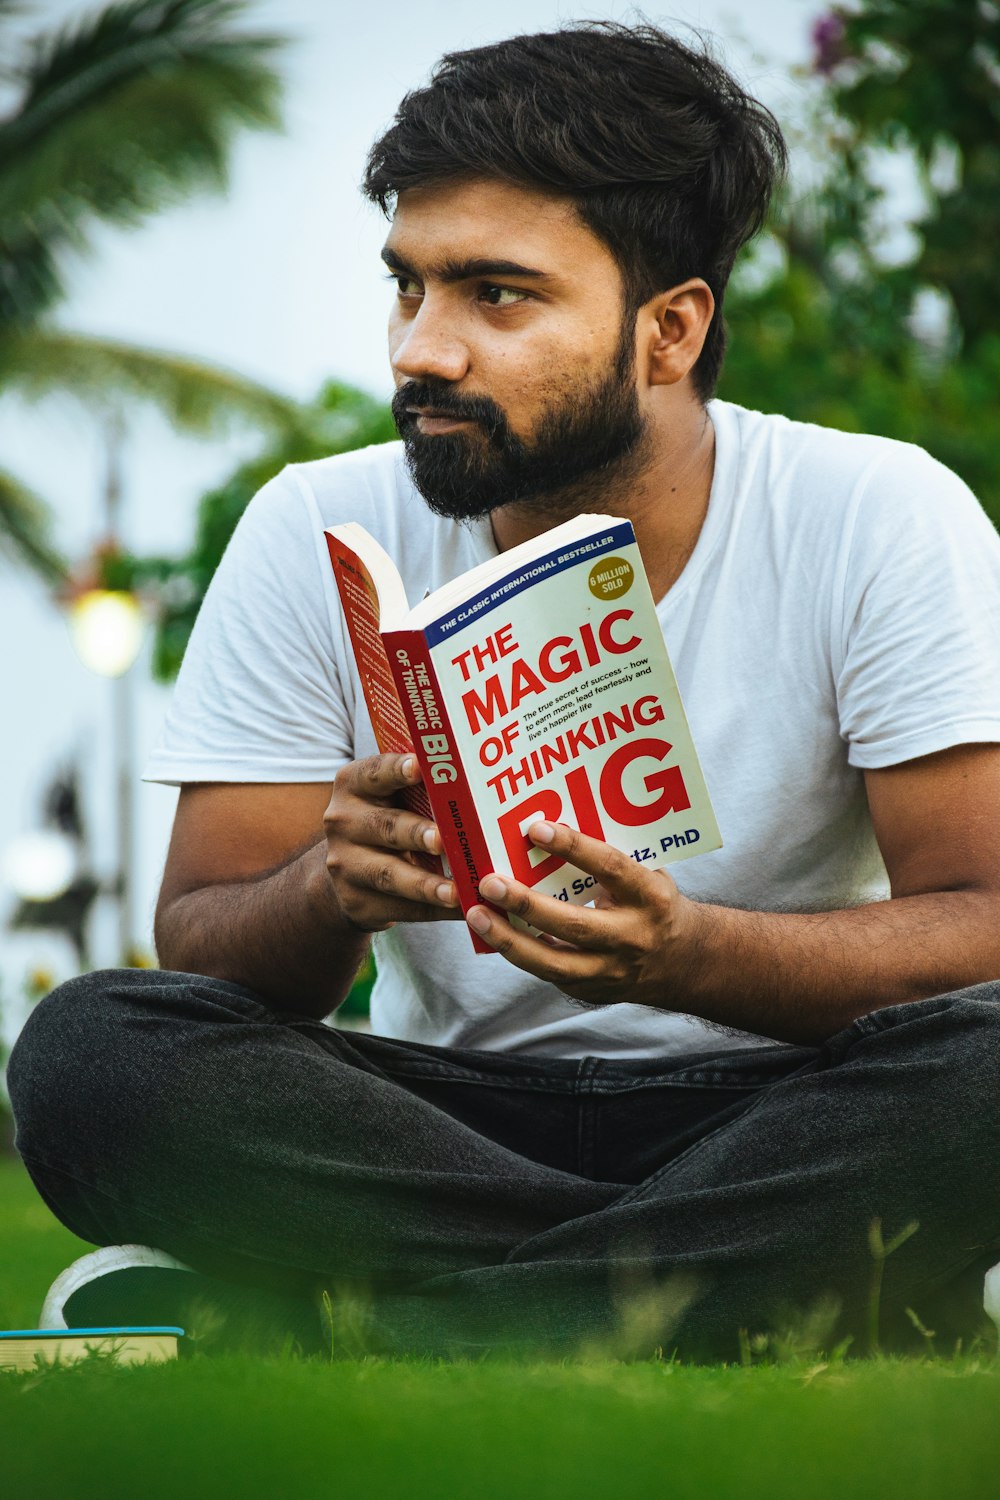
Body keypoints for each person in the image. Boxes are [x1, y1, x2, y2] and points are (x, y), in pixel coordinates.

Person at [10, 21, 1000, 1361]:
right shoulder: (316, 522)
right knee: (93, 1051)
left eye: (498, 295)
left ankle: (402, 1320)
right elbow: (202, 942)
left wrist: (691, 954)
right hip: (445, 1117)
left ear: (671, 330)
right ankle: (795, 1283)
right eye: (408, 288)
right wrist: (329, 890)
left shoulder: (876, 514)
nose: (423, 351)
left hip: (781, 1101)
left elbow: (983, 927)